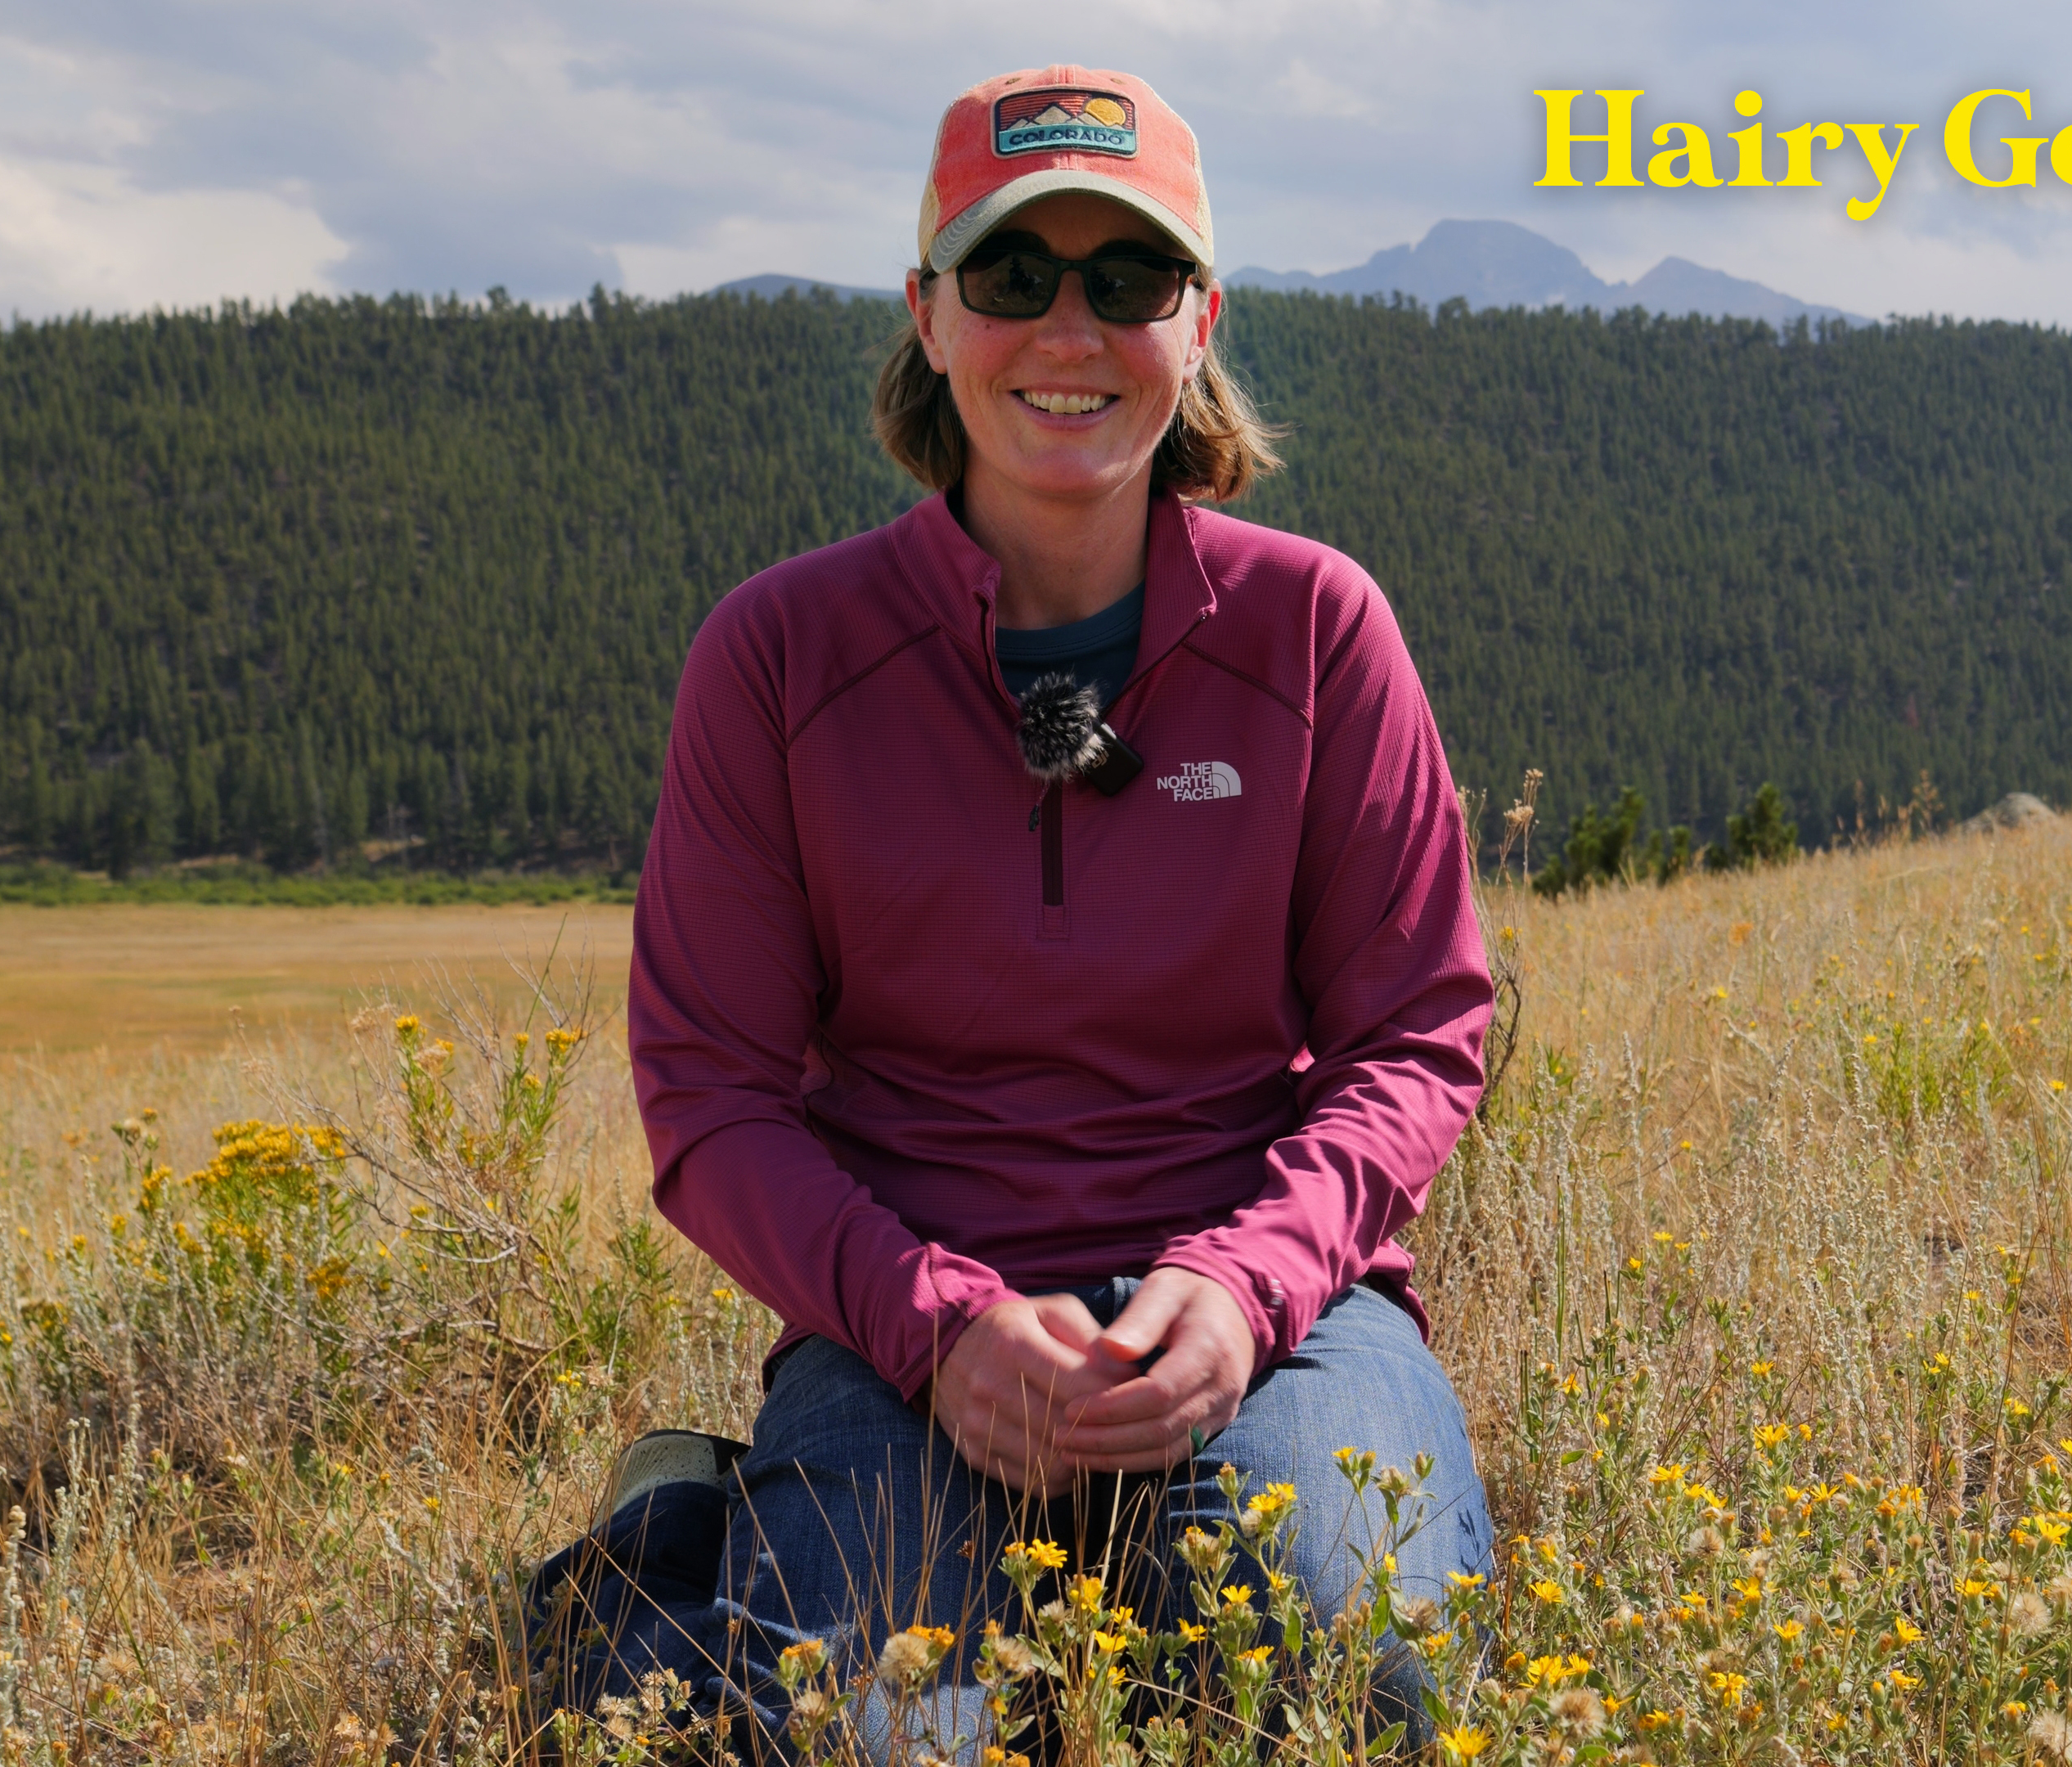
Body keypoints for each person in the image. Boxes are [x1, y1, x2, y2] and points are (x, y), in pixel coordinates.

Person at [521, 64, 1495, 1754]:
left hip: (1273, 1326)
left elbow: (1416, 1033)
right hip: (906, 1338)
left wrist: (1251, 1286)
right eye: (1011, 275)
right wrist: (938, 1326)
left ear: (1199, 323)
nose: (1068, 327)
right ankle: (698, 1556)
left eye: (1126, 280)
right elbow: (712, 1099)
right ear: (928, 313)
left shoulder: (1316, 631)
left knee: (1340, 1695)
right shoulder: (780, 658)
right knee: (871, 1726)